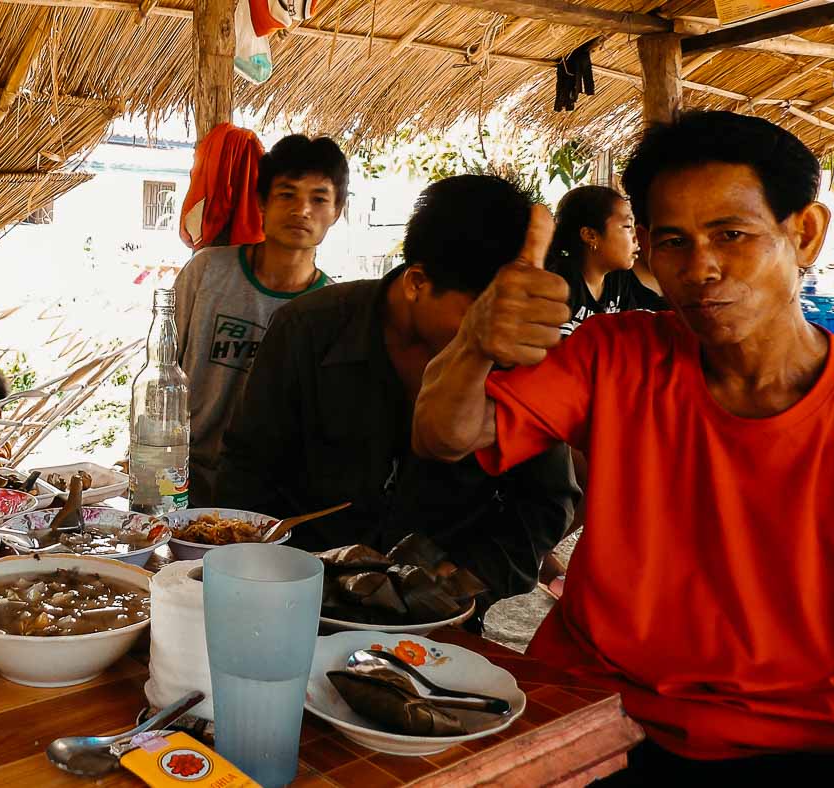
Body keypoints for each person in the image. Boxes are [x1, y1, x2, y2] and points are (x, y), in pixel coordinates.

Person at [411, 111, 834, 772]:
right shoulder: (615, 354)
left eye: (732, 234)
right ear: (643, 244)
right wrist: (473, 342)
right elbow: (444, 437)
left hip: (791, 738)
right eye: (673, 241)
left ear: (804, 233)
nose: (701, 268)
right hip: (590, 706)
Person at [215, 175, 578, 605]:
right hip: (295, 598)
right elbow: (247, 472)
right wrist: (269, 576)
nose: (498, 334)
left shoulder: (521, 360)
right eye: (482, 314)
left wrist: (462, 579)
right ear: (417, 283)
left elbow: (545, 504)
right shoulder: (307, 330)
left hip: (437, 615)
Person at [174, 134, 346, 507]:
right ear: (262, 202)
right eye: (287, 194)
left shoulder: (332, 309)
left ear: (337, 211)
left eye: (319, 198)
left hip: (270, 490)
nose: (302, 210)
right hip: (185, 474)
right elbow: (162, 371)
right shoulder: (207, 272)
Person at [548, 185, 666, 336]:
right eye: (627, 226)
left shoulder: (619, 279)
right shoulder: (562, 283)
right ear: (591, 235)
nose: (637, 238)